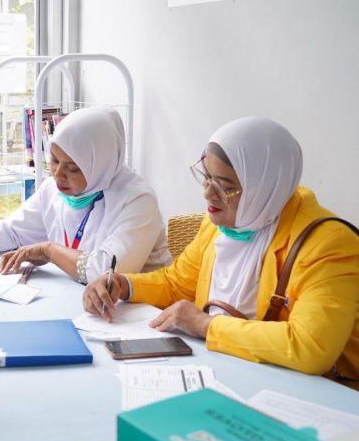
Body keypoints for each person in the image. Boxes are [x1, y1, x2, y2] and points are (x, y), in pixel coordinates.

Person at [83, 117, 359, 381]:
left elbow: (310, 347)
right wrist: (124, 285)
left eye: (225, 187)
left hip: (313, 391)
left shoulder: (329, 244)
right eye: (206, 177)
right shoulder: (223, 223)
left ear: (265, 188)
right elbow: (178, 283)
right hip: (226, 368)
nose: (207, 193)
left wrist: (205, 325)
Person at [0, 106, 171, 284]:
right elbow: (15, 231)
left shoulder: (138, 201)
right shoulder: (55, 190)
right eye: (54, 160)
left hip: (140, 312)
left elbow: (106, 272)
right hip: (81, 300)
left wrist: (49, 251)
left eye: (73, 168)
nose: (58, 174)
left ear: (100, 165)